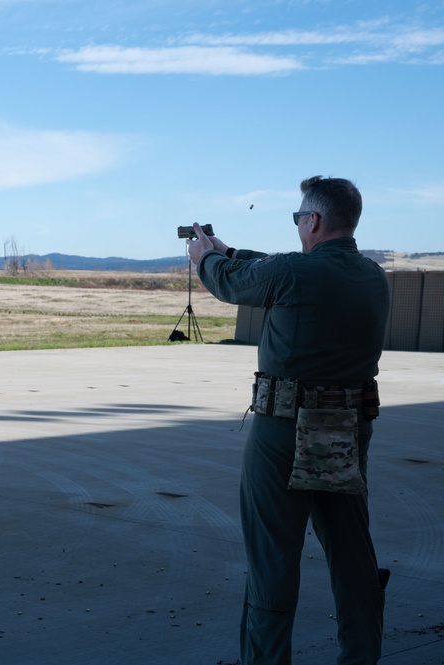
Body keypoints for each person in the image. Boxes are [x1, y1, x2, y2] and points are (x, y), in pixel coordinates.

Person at [186, 176, 390, 664]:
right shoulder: (373, 276)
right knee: (351, 555)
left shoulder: (294, 274)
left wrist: (205, 259)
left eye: (299, 218)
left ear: (313, 220)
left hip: (284, 432)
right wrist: (230, 248)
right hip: (346, 433)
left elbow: (236, 283)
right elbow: (278, 268)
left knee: (273, 564)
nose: (299, 225)